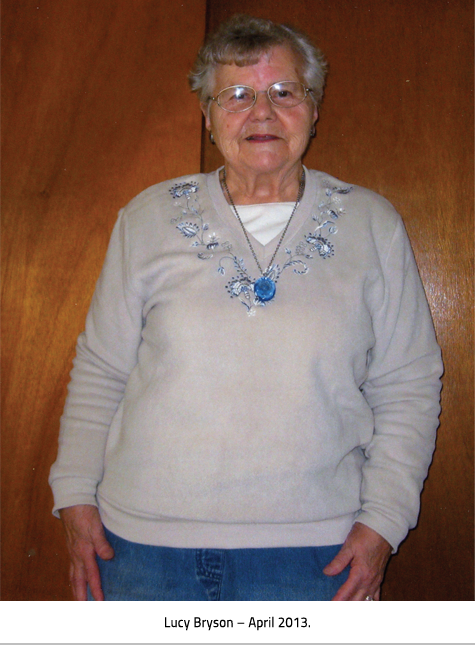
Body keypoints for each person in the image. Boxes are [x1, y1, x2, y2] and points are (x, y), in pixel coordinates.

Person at [49, 14, 443, 601]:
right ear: (207, 117)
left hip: (318, 556)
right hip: (140, 550)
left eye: (284, 92)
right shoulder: (148, 217)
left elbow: (408, 383)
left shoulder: (370, 224)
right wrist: (75, 496)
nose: (262, 112)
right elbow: (102, 368)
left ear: (314, 109)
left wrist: (384, 521)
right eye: (236, 95)